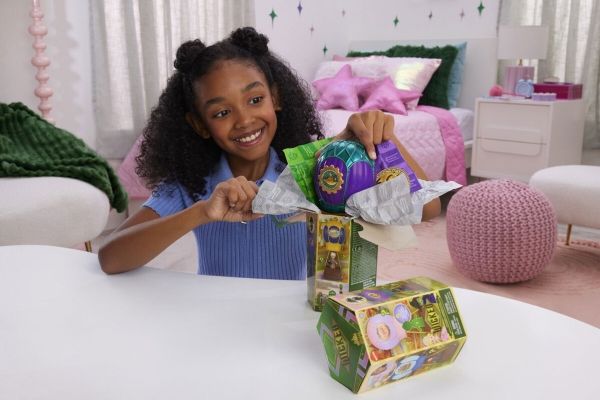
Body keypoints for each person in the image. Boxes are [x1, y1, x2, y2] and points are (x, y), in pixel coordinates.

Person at [98, 27, 440, 278]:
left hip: (289, 323)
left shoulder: (317, 170)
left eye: (255, 99)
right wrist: (200, 213)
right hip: (220, 320)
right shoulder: (192, 184)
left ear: (275, 98)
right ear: (200, 124)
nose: (244, 120)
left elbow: (427, 208)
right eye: (221, 112)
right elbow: (111, 258)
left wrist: (384, 141)